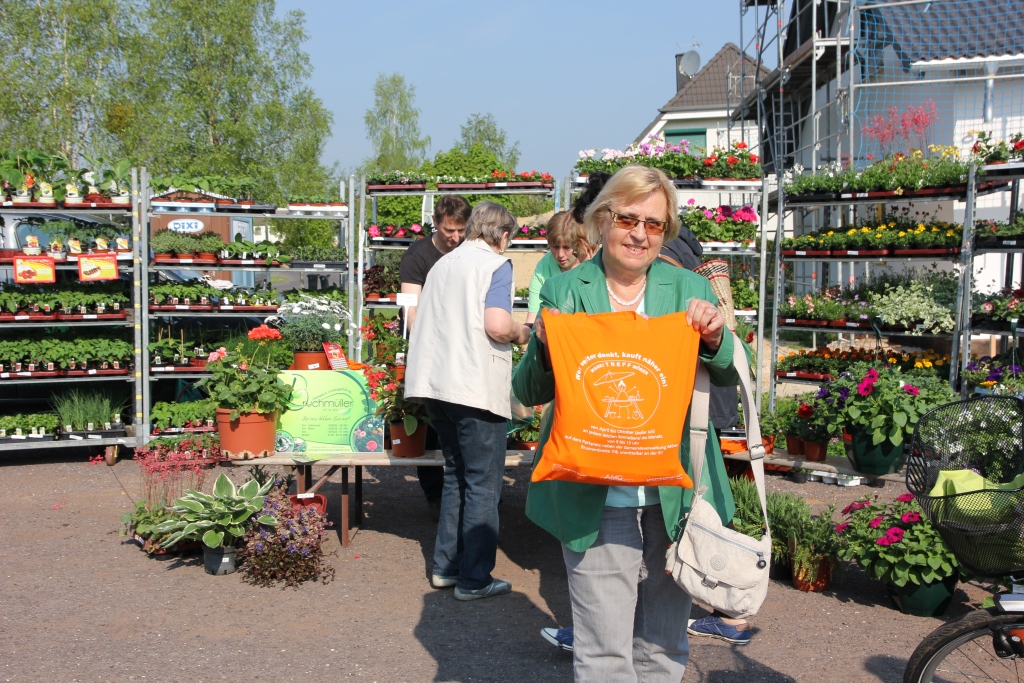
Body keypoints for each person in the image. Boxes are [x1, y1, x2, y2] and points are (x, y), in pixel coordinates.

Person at [514, 165, 739, 680]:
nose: (639, 233)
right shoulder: (566, 291)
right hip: (596, 495)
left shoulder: (687, 287)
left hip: (674, 494)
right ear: (602, 220)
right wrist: (545, 350)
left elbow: (728, 369)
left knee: (663, 647)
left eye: (654, 224)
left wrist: (714, 336)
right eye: (628, 218)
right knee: (601, 653)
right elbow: (528, 392)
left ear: (667, 231)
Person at [405, 201, 531, 601]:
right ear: (503, 234)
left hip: (434, 386)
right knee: (482, 483)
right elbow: (496, 325)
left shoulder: (442, 262)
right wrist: (523, 331)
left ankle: (446, 567)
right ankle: (474, 579)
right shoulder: (496, 265)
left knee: (456, 477)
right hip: (473, 387)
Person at [399, 194, 472, 514]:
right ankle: (435, 495)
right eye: (449, 231)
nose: (455, 237)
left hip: (464, 348)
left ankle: (468, 493)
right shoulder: (417, 255)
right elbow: (410, 312)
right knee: (428, 421)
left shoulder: (470, 251)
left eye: (461, 230)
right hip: (429, 347)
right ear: (436, 225)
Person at [526, 212, 577, 324]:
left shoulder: (591, 264)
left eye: (566, 247)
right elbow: (534, 317)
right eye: (555, 247)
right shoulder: (544, 266)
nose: (560, 254)